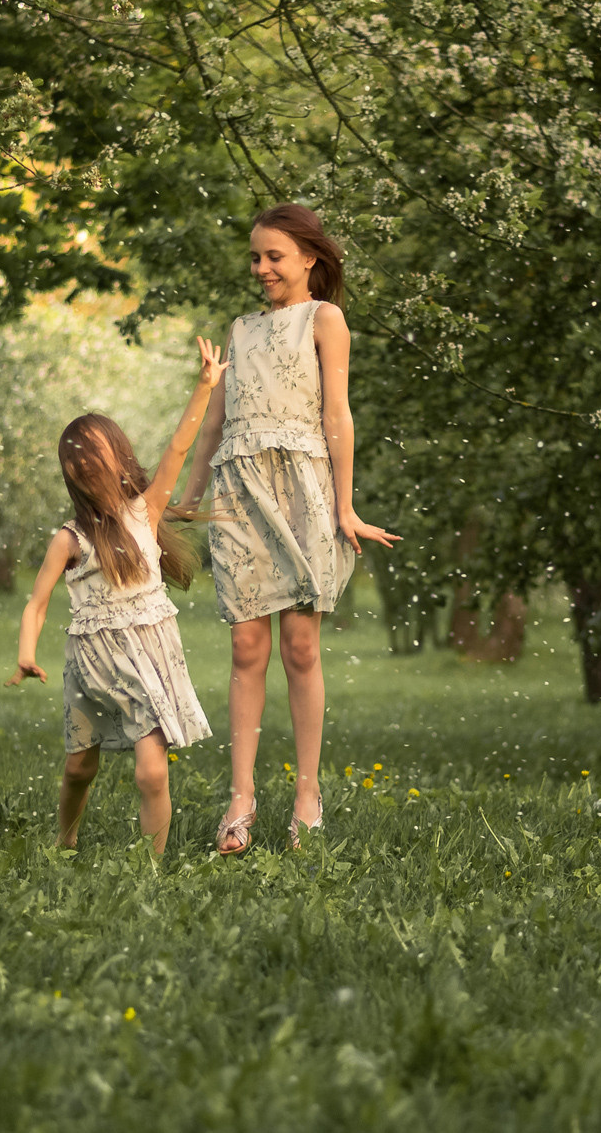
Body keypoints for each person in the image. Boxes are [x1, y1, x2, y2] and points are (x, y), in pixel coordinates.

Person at [180, 203, 400, 854]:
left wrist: (346, 506)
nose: (262, 267)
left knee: (301, 647)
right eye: (255, 256)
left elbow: (339, 414)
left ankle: (308, 793)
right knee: (248, 650)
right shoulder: (241, 331)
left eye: (275, 255)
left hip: (303, 490)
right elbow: (215, 423)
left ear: (310, 258)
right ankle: (240, 799)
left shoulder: (324, 319)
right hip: (241, 492)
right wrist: (189, 496)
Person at [7, 337, 229, 856]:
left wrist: (204, 387)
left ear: (118, 455)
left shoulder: (145, 511)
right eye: (75, 459)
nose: (84, 464)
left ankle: (150, 870)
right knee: (80, 767)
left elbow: (178, 448)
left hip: (146, 659)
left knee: (152, 772)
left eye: (93, 453)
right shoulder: (69, 539)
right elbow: (36, 603)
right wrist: (25, 653)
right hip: (89, 665)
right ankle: (65, 840)